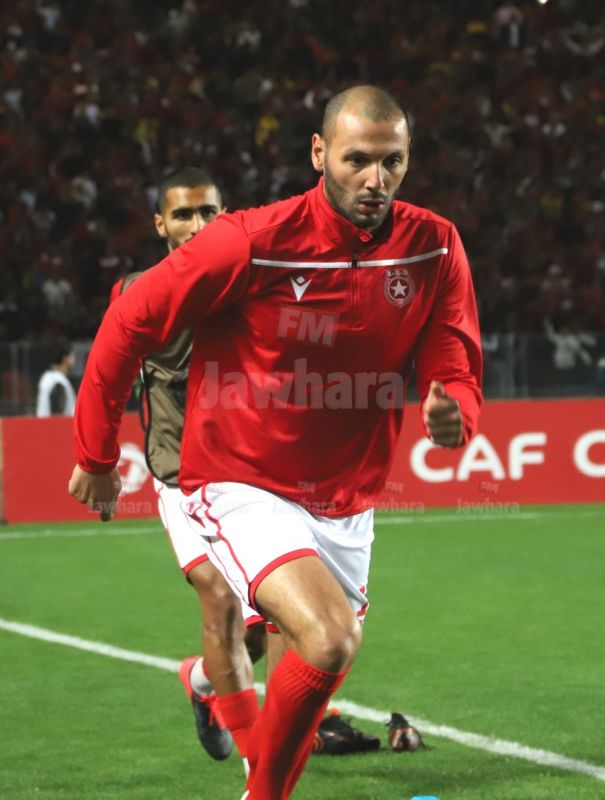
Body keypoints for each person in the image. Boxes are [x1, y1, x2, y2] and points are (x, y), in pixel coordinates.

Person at [69, 85, 483, 799]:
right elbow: (129, 320)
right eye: (357, 160)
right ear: (319, 153)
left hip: (347, 497)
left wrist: (456, 408)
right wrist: (97, 454)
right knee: (325, 636)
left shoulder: (434, 244)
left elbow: (454, 356)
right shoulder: (251, 240)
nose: (375, 179)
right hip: (240, 476)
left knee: (320, 657)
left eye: (392, 162)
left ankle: (226, 723)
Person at [112, 167, 265, 769]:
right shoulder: (136, 293)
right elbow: (107, 377)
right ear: (161, 225)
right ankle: (260, 771)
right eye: (183, 214)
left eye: (209, 212)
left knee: (258, 629)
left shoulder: (254, 285)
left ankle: (202, 682)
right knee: (221, 601)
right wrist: (96, 458)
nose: (198, 225)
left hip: (253, 476)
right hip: (181, 476)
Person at [36, 338, 76, 417]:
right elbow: (57, 416)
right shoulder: (58, 381)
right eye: (72, 355)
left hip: (44, 424)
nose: (74, 359)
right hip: (57, 425)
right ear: (65, 358)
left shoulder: (47, 377)